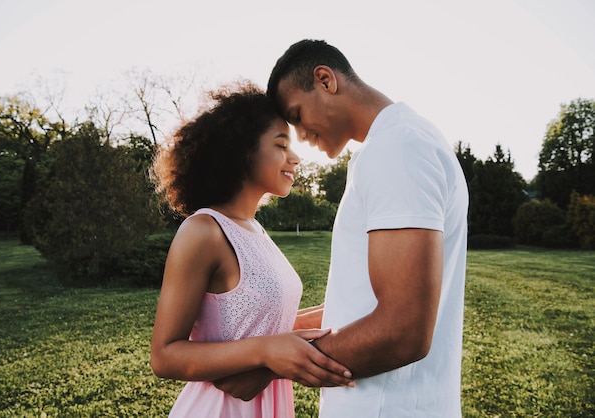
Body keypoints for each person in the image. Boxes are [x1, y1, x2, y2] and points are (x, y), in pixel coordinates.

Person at [265, 39, 469, 417]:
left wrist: (268, 364)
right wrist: (269, 338)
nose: (301, 135)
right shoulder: (393, 144)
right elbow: (359, 304)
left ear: (325, 80)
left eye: (297, 115)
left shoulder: (397, 148)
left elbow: (402, 329)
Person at [149, 81, 354, 418]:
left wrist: (352, 307)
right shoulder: (204, 231)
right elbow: (164, 356)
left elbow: (269, 324)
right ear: (242, 151)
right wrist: (264, 351)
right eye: (281, 145)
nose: (296, 158)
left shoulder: (255, 229)